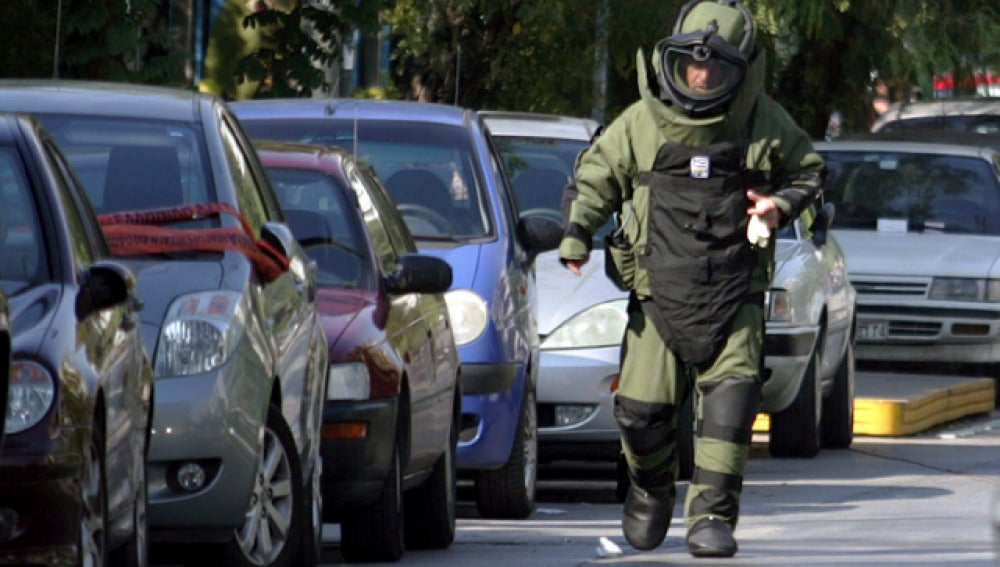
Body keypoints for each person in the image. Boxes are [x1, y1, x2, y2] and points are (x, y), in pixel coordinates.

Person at [558, 0, 824, 558]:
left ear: (742, 70)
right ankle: (651, 488)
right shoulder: (641, 122)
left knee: (730, 408)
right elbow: (596, 177)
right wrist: (577, 233)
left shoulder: (764, 121)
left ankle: (711, 517)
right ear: (671, 63)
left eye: (716, 69)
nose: (701, 78)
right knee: (641, 412)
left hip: (735, 295)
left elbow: (810, 173)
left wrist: (779, 204)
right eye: (690, 66)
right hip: (657, 295)